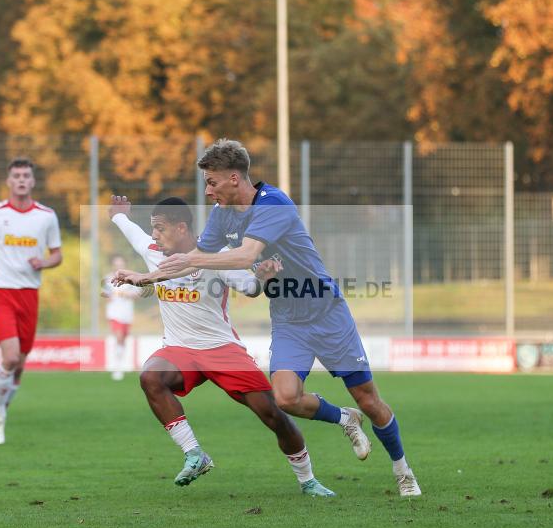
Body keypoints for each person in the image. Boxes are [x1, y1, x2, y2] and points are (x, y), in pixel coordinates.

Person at [119, 139, 421, 497]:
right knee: (287, 398)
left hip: (326, 311)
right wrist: (148, 277)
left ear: (234, 178)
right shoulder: (221, 216)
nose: (208, 190)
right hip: (288, 318)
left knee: (369, 399)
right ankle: (345, 418)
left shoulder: (274, 204)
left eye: (212, 182)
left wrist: (190, 262)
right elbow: (197, 255)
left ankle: (403, 471)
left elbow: (241, 255)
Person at [110, 194, 334, 496]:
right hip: (179, 350)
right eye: (153, 228)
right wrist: (119, 215)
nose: (154, 235)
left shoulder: (217, 255)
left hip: (221, 349)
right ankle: (194, 454)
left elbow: (250, 287)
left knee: (273, 415)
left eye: (160, 228)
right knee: (150, 376)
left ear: (181, 228)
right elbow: (133, 231)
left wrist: (263, 277)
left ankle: (308, 480)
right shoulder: (153, 251)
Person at [0, 158, 63, 445]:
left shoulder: (46, 216)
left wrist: (43, 262)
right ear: (8, 181)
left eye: (26, 176)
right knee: (8, 357)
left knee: (19, 365)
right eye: (16, 175)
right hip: (1, 292)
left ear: (32, 182)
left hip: (29, 294)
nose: (21, 180)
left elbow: (57, 255)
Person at [102, 254, 141, 381]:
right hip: (114, 313)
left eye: (121, 264)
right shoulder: (108, 279)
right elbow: (104, 295)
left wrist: (127, 294)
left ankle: (119, 364)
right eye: (116, 264)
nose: (118, 266)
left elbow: (137, 294)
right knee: (118, 337)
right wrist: (110, 295)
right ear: (113, 265)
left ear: (124, 265)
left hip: (127, 313)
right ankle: (117, 368)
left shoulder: (131, 278)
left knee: (123, 340)